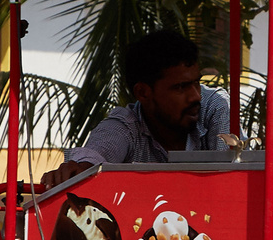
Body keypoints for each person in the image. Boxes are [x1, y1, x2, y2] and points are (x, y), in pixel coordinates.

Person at [44, 30, 233, 186]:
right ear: (143, 93)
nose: (196, 96)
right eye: (180, 87)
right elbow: (98, 152)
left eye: (197, 83)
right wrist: (81, 168)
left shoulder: (215, 106)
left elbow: (232, 176)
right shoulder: (126, 126)